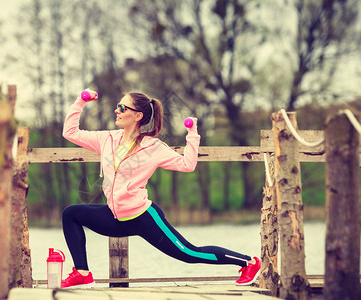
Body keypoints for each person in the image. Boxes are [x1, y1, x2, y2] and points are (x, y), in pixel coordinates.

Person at [61, 90, 260, 289]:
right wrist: (81, 101)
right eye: (117, 106)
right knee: (71, 214)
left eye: (122, 107)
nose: (116, 111)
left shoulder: (153, 147)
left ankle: (248, 262)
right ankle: (82, 272)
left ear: (137, 116)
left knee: (189, 253)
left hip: (143, 217)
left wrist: (192, 134)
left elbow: (187, 165)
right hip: (116, 217)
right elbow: (69, 133)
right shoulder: (107, 139)